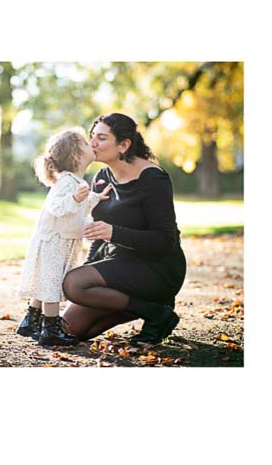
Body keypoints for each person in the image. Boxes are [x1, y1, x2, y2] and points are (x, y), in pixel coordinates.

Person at [60, 113, 186, 345]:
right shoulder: (101, 177)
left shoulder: (153, 179)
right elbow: (99, 234)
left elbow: (165, 241)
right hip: (120, 265)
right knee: (71, 329)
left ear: (124, 145)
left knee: (73, 283)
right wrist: (90, 272)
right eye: (91, 137)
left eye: (101, 138)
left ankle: (156, 314)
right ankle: (155, 310)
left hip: (157, 268)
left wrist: (113, 233)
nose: (92, 144)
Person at [16, 129, 111, 347]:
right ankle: (50, 329)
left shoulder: (75, 181)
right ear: (77, 156)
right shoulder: (67, 182)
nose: (92, 145)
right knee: (50, 286)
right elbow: (57, 207)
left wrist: (96, 197)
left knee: (46, 282)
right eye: (87, 144)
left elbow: (78, 208)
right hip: (52, 243)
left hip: (59, 242)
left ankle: (30, 322)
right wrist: (75, 197)